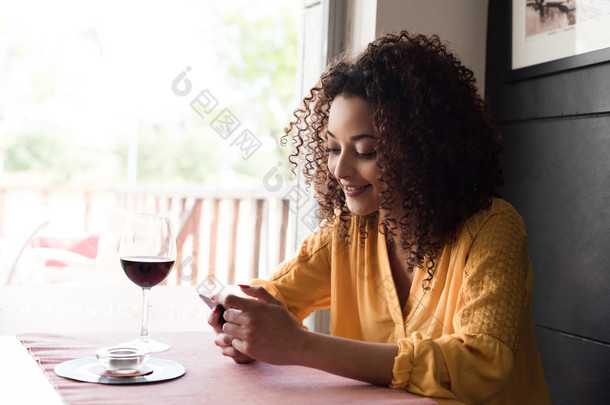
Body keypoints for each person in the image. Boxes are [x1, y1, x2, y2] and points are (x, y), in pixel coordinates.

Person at [208, 31, 550, 405]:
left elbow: (482, 364)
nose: (340, 169)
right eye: (333, 148)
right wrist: (242, 326)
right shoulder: (347, 232)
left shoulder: (493, 228)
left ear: (422, 150)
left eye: (366, 151)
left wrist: (302, 346)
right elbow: (269, 298)